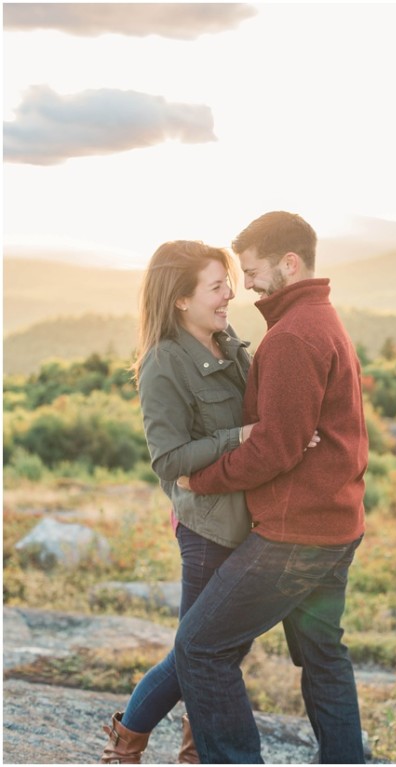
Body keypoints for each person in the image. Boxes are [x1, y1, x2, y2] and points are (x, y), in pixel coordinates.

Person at [174, 211, 369, 763]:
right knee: (324, 657)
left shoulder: (293, 337)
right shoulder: (323, 319)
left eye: (255, 270)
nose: (248, 284)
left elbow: (275, 449)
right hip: (336, 525)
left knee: (200, 649)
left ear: (289, 263)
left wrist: (202, 479)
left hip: (294, 537)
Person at [100, 240, 252, 763]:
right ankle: (128, 747)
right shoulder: (165, 362)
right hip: (208, 531)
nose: (229, 293)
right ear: (181, 299)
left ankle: (191, 750)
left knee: (216, 650)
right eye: (216, 286)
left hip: (246, 522)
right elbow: (169, 461)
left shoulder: (225, 343)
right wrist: (241, 438)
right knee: (200, 651)